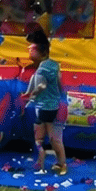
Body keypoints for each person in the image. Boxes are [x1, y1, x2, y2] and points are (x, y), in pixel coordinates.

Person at [22, 38, 67, 173]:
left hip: (45, 106)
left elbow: (41, 85)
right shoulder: (54, 64)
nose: (29, 51)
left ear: (41, 52)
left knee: (41, 137)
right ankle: (60, 163)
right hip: (55, 104)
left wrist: (32, 95)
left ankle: (42, 161)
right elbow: (59, 82)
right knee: (54, 138)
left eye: (32, 49)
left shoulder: (42, 68)